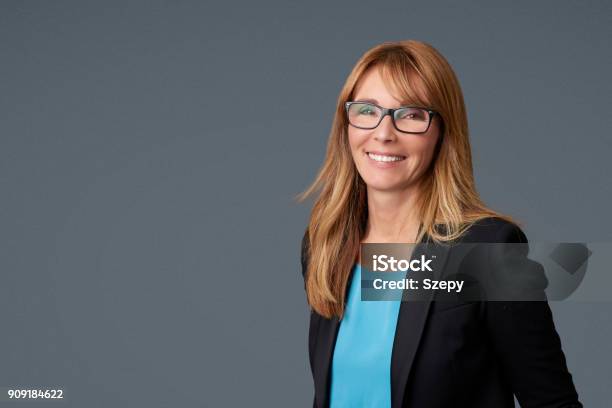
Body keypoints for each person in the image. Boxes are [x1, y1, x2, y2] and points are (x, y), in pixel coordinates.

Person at [296, 40, 582, 408]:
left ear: (442, 133)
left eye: (411, 115)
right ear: (346, 124)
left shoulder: (488, 252)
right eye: (367, 110)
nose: (384, 133)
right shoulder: (325, 244)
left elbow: (552, 402)